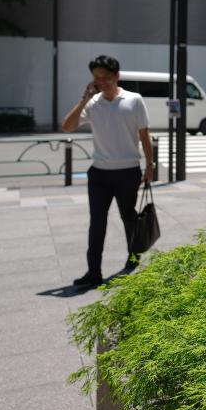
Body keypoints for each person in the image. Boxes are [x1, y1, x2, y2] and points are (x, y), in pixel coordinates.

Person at [61, 55, 154, 288]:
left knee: (128, 217)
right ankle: (93, 271)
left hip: (128, 171)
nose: (101, 82)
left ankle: (133, 256)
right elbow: (67, 127)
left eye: (105, 77)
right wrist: (84, 98)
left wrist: (150, 166)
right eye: (96, 78)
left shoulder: (134, 100)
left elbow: (144, 135)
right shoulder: (93, 103)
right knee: (97, 222)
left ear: (117, 76)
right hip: (99, 173)